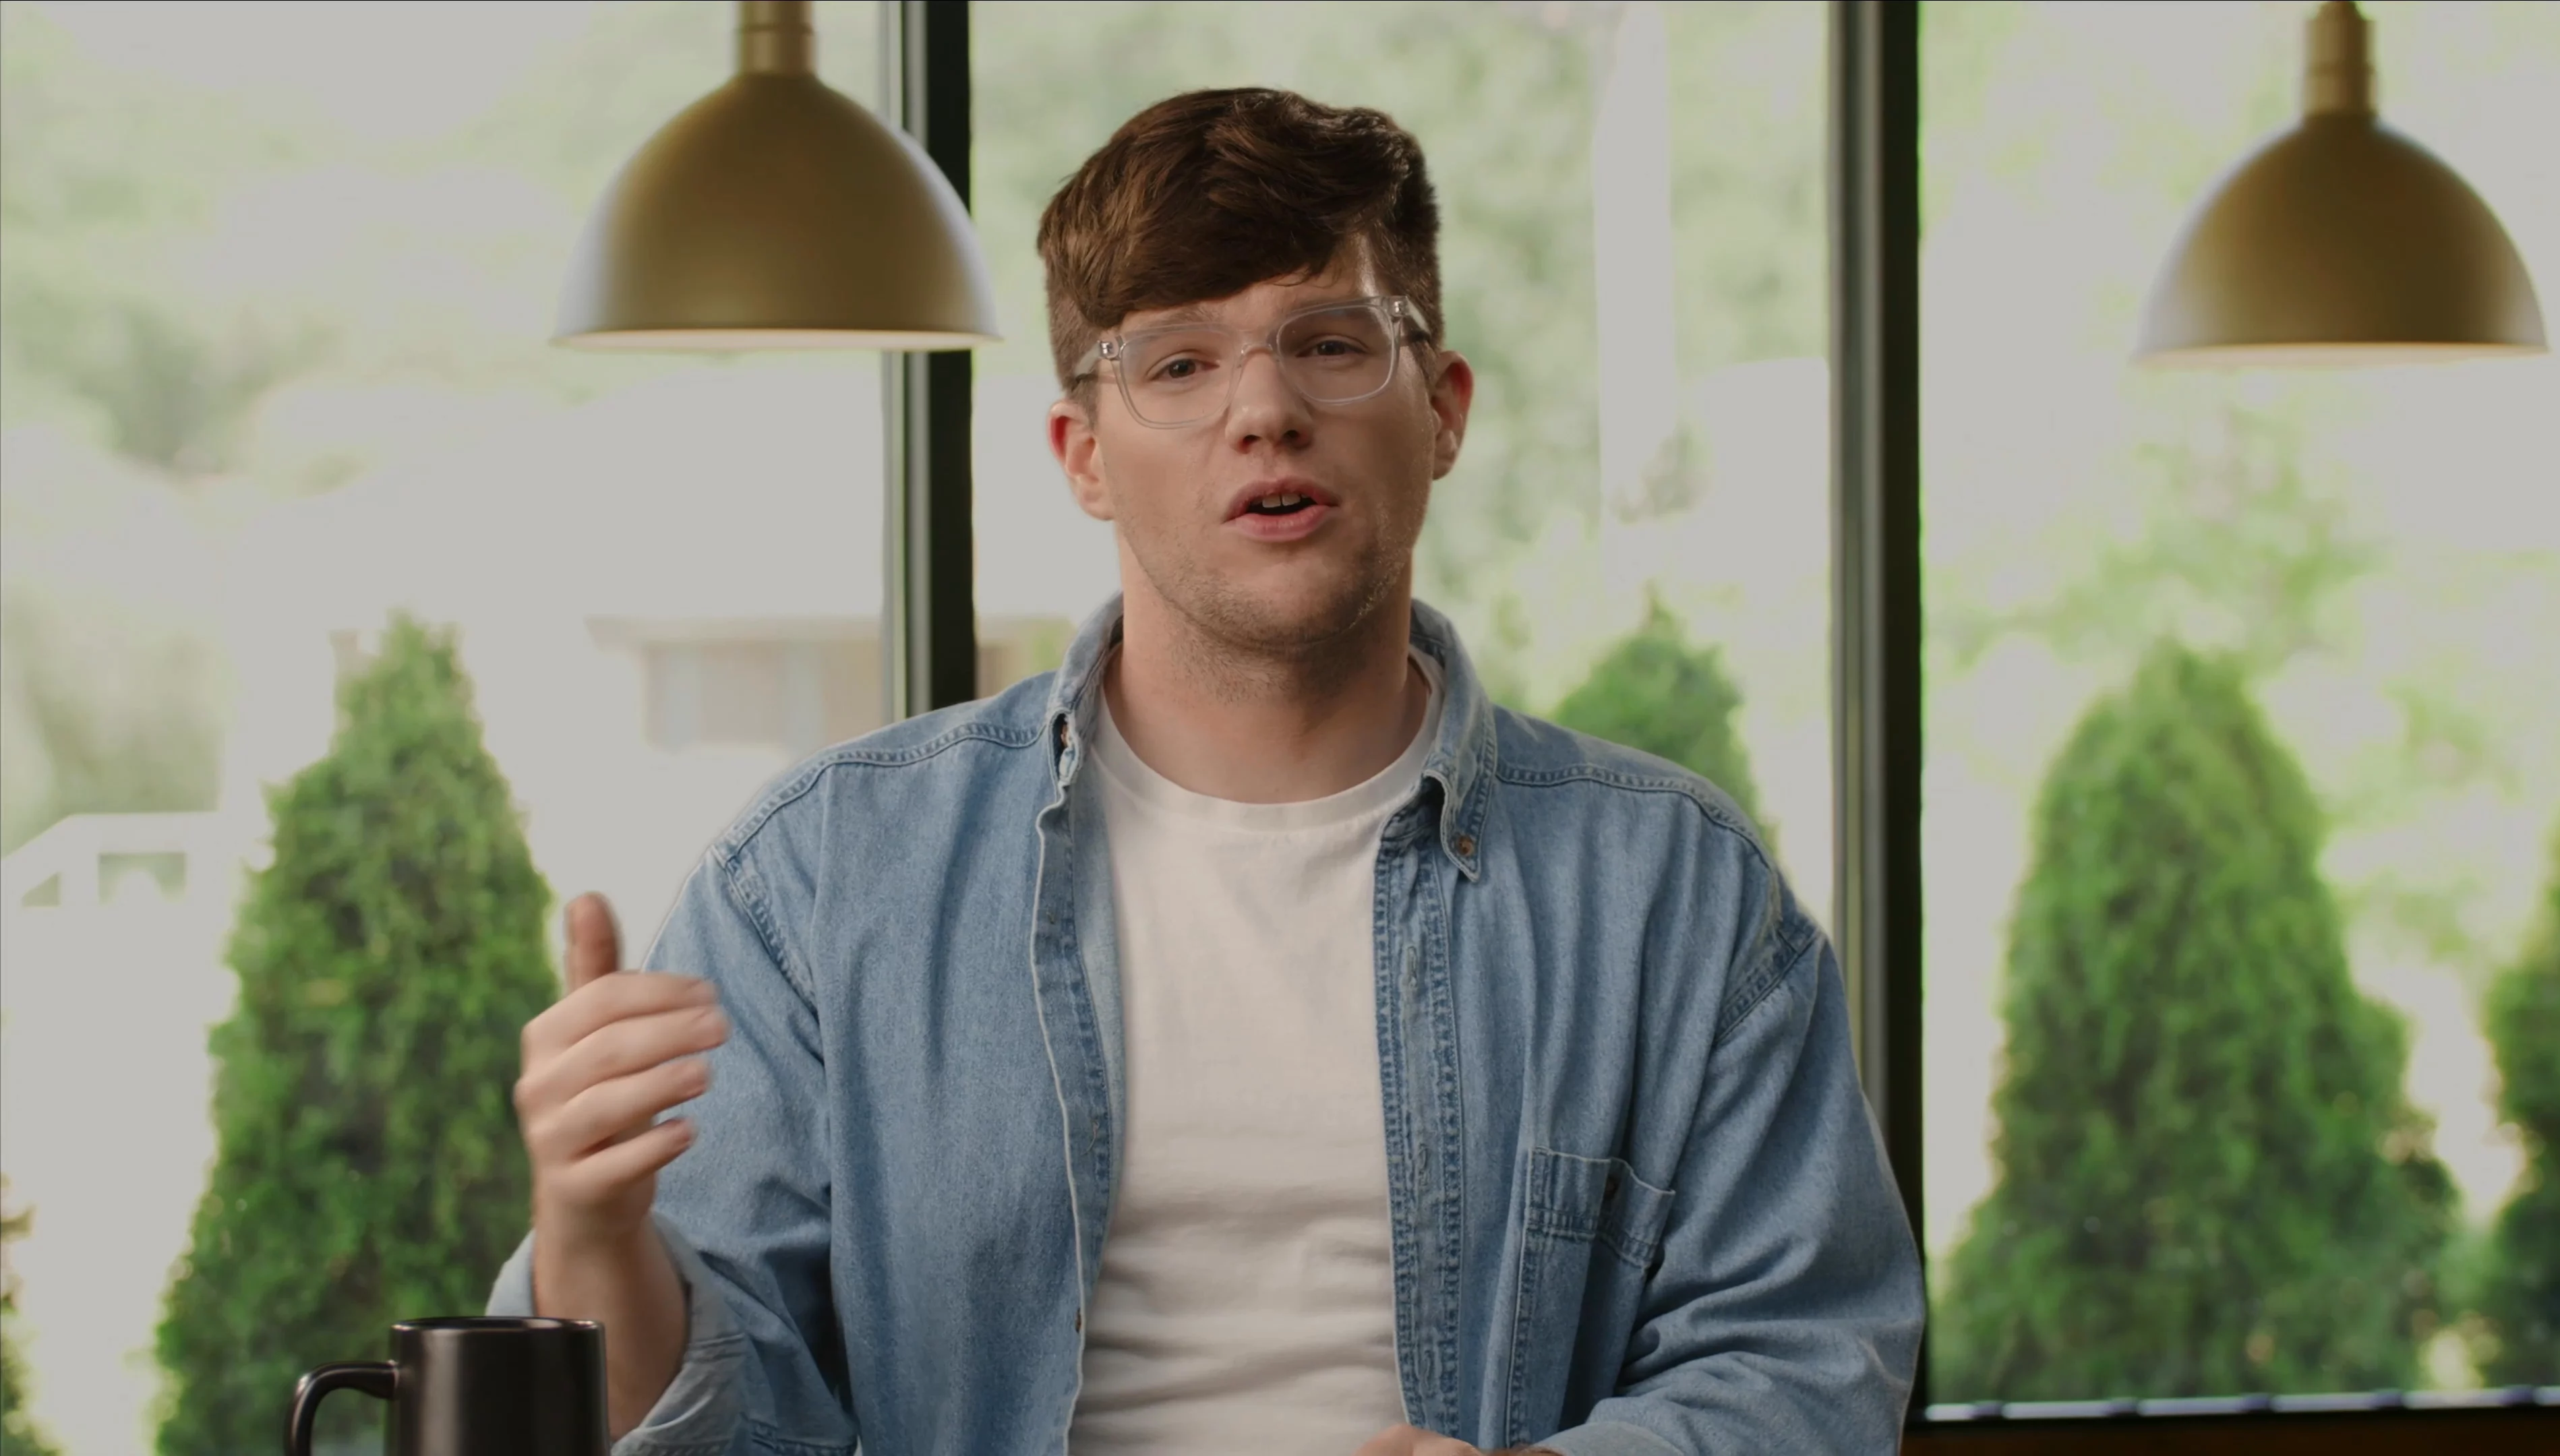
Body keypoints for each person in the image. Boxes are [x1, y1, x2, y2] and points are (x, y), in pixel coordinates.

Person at [491, 87, 1922, 1455]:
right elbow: (726, 1435)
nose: (1265, 410)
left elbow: (1805, 1359)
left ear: (1444, 411)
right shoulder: (821, 880)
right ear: (1083, 455)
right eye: (1177, 364)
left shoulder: (1671, 890)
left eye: (1333, 343)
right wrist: (593, 1238)